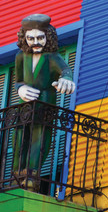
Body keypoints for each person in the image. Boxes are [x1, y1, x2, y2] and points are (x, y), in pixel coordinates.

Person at [13, 14, 76, 188]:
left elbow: (65, 71)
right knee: (20, 139)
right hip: (24, 106)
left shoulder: (51, 57)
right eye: (30, 38)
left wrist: (67, 80)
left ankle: (32, 175)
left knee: (40, 139)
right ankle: (17, 175)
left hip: (45, 105)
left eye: (40, 38)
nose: (35, 42)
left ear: (47, 37)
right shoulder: (20, 56)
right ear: (24, 38)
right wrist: (20, 89)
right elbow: (18, 80)